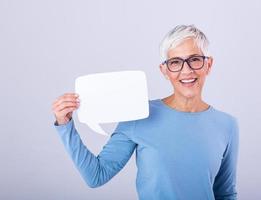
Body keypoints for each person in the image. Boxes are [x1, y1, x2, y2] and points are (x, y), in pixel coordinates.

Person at [52, 24, 239, 200]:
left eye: (195, 59)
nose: (186, 70)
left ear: (209, 64)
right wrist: (65, 125)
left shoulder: (227, 125)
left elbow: (225, 194)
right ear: (165, 70)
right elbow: (96, 176)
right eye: (175, 62)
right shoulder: (139, 115)